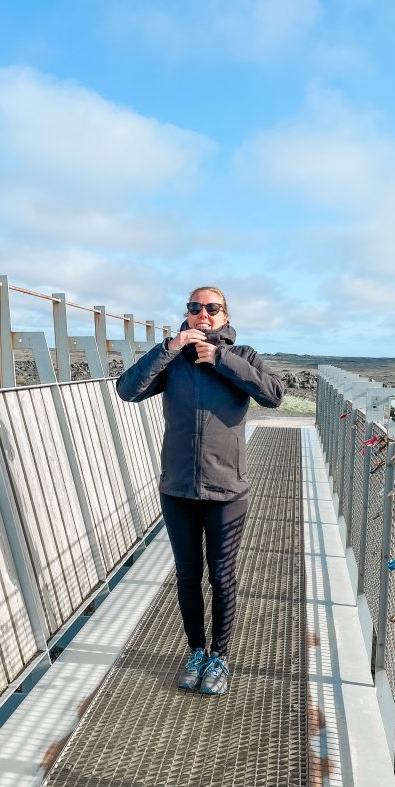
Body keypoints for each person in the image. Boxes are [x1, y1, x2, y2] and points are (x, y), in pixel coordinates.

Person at [116, 287, 284, 695]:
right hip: (177, 489)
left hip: (227, 490)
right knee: (188, 576)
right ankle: (196, 651)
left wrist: (221, 360)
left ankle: (220, 657)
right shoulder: (173, 359)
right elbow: (128, 390)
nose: (202, 314)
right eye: (195, 308)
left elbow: (274, 395)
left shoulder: (243, 356)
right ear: (187, 314)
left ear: (225, 314)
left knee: (222, 578)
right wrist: (169, 347)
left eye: (212, 308)